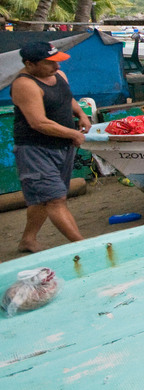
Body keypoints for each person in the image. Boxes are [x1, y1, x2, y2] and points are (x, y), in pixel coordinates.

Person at [11, 42, 89, 252]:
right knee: (55, 199)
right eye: (50, 63)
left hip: (63, 147)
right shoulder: (25, 85)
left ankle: (28, 240)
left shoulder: (59, 76)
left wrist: (80, 114)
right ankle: (82, 245)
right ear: (30, 64)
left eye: (57, 62)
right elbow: (38, 122)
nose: (57, 67)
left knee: (42, 199)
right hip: (35, 149)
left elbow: (67, 98)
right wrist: (73, 133)